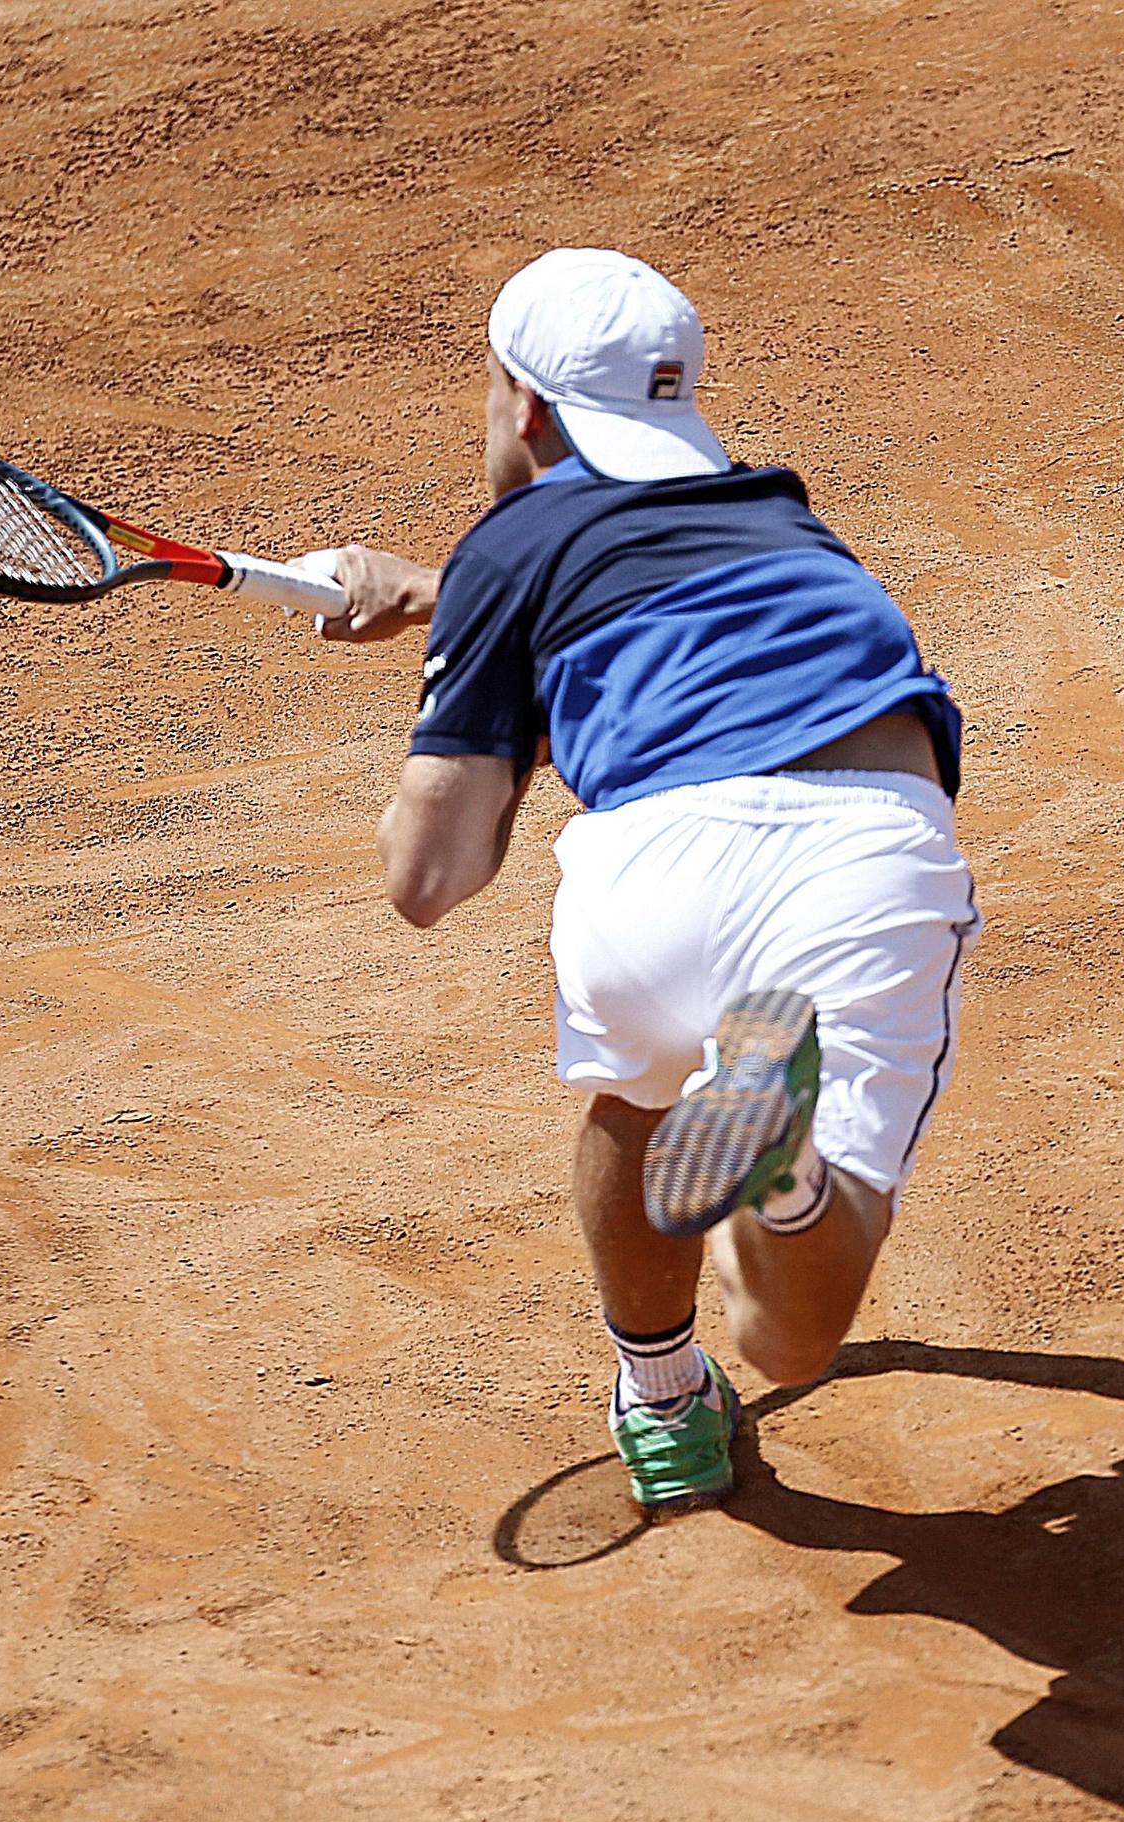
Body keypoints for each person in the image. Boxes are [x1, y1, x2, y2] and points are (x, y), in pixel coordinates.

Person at [308, 248, 977, 1511]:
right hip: (857, 858)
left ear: (521, 403)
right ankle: (777, 1166)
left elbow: (429, 877)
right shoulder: (778, 513)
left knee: (636, 1098)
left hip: (651, 886)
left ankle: (660, 1396)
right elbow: (654, 623)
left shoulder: (513, 549)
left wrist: (462, 660)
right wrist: (457, 608)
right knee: (792, 1330)